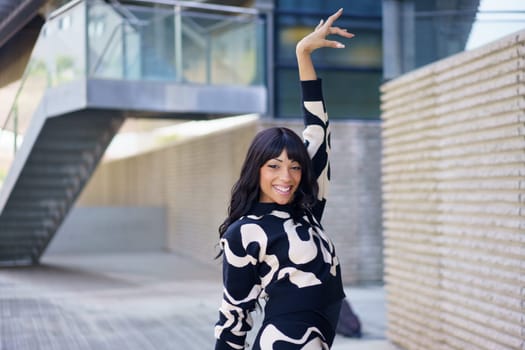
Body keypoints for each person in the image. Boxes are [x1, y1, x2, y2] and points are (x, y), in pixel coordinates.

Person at [214, 8, 354, 350]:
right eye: (273, 166)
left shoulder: (306, 209)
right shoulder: (243, 233)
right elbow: (234, 315)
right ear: (256, 170)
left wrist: (302, 54)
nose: (286, 176)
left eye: (294, 166)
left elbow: (318, 129)